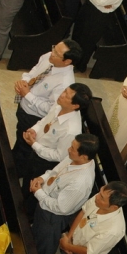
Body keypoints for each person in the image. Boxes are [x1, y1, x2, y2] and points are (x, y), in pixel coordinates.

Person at [20, 84, 92, 214]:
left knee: (34, 189)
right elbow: (45, 121)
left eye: (66, 95)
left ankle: (25, 212)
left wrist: (35, 145)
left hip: (44, 162)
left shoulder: (71, 130)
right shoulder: (60, 104)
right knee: (27, 180)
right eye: (64, 91)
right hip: (36, 148)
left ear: (75, 105)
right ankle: (20, 198)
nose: (61, 95)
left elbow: (59, 156)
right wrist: (34, 130)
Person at [30, 134, 99, 254]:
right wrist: (42, 178)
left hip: (52, 217)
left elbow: (60, 208)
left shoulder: (80, 183)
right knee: (34, 235)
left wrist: (38, 193)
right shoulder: (75, 157)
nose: (68, 149)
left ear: (84, 157)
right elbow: (55, 171)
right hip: (45, 201)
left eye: (73, 148)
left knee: (42, 248)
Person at [11, 40, 81, 172]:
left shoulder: (65, 83)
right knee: (20, 137)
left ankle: (15, 170)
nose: (52, 53)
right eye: (54, 48)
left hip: (33, 116)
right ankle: (14, 156)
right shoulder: (49, 57)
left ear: (67, 61)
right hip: (24, 105)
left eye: (57, 53)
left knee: (25, 148)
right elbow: (35, 70)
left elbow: (51, 109)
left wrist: (28, 95)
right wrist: (24, 81)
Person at [71, 0, 127, 72]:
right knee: (77, 33)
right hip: (88, 5)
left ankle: (80, 66)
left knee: (87, 42)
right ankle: (70, 58)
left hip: (99, 15)